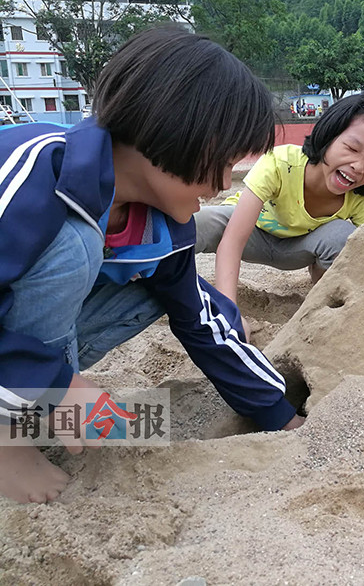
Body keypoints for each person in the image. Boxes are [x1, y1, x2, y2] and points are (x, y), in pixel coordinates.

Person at [0, 27, 304, 505]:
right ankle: (7, 442)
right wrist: (58, 384)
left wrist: (278, 414)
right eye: (225, 162)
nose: (225, 184)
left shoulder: (162, 227)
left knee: (166, 292)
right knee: (74, 247)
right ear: (179, 131)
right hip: (21, 358)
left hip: (27, 363)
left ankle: (41, 409)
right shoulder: (33, 172)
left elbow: (201, 321)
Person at [195, 93, 364, 324]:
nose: (358, 166)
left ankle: (322, 300)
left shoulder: (360, 198)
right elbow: (233, 241)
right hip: (253, 233)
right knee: (195, 222)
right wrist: (229, 313)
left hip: (299, 250)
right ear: (329, 136)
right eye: (352, 148)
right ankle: (163, 282)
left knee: (349, 238)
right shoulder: (281, 162)